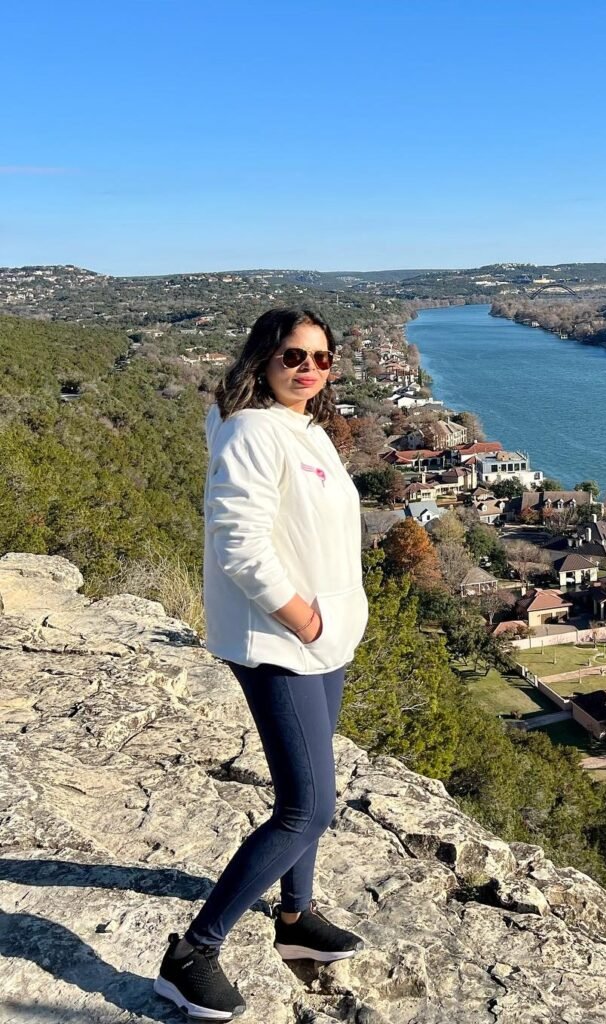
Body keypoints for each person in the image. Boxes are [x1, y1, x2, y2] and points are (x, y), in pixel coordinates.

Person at [154, 308, 369, 1020]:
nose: (308, 368)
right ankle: (191, 956)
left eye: (321, 358)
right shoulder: (250, 430)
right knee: (307, 807)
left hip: (322, 639)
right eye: (292, 356)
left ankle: (296, 919)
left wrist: (329, 622)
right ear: (262, 359)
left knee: (305, 801)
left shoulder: (303, 427)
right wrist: (303, 616)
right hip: (281, 642)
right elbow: (238, 542)